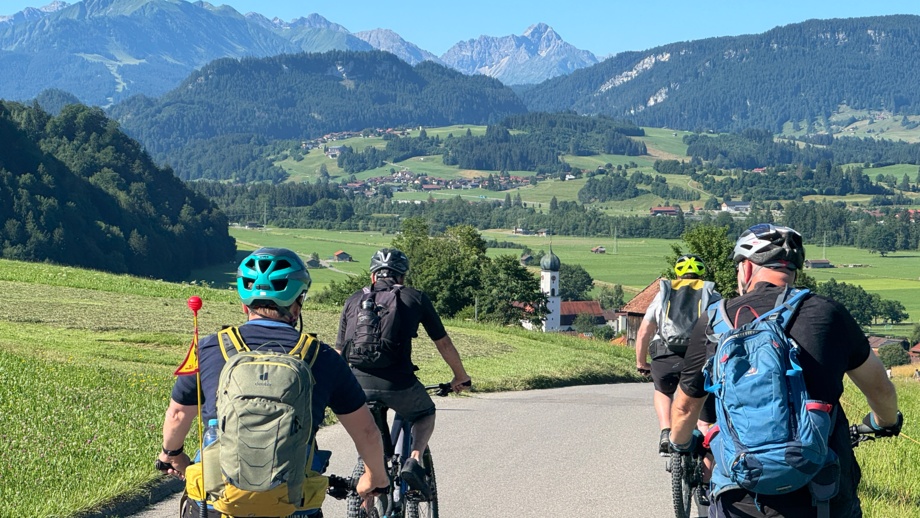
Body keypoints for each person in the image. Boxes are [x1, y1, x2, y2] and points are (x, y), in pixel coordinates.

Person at [670, 224, 902, 517]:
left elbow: (684, 408)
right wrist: (885, 422)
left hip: (741, 494)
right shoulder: (828, 313)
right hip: (823, 492)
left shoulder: (715, 321)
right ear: (794, 270)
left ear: (746, 268)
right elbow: (880, 388)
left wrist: (680, 444)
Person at [157, 247, 389, 512]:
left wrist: (171, 455)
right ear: (298, 302)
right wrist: (375, 479)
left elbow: (177, 415)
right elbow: (367, 432)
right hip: (291, 504)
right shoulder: (321, 356)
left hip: (217, 504)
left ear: (244, 303)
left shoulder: (211, 348)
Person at [336, 248, 471, 497]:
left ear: (373, 275)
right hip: (398, 384)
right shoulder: (414, 297)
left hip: (357, 386)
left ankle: (365, 505)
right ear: (402, 276)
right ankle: (416, 458)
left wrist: (335, 390)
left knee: (368, 440)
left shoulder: (354, 299)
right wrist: (460, 377)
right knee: (424, 412)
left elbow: (339, 352)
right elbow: (443, 343)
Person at [636, 254, 720, 455]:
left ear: (677, 272)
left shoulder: (663, 295)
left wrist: (641, 363)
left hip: (666, 355)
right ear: (702, 273)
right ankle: (706, 462)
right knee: (703, 400)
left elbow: (644, 332)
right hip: (700, 358)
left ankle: (666, 431)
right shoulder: (712, 294)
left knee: (663, 391)